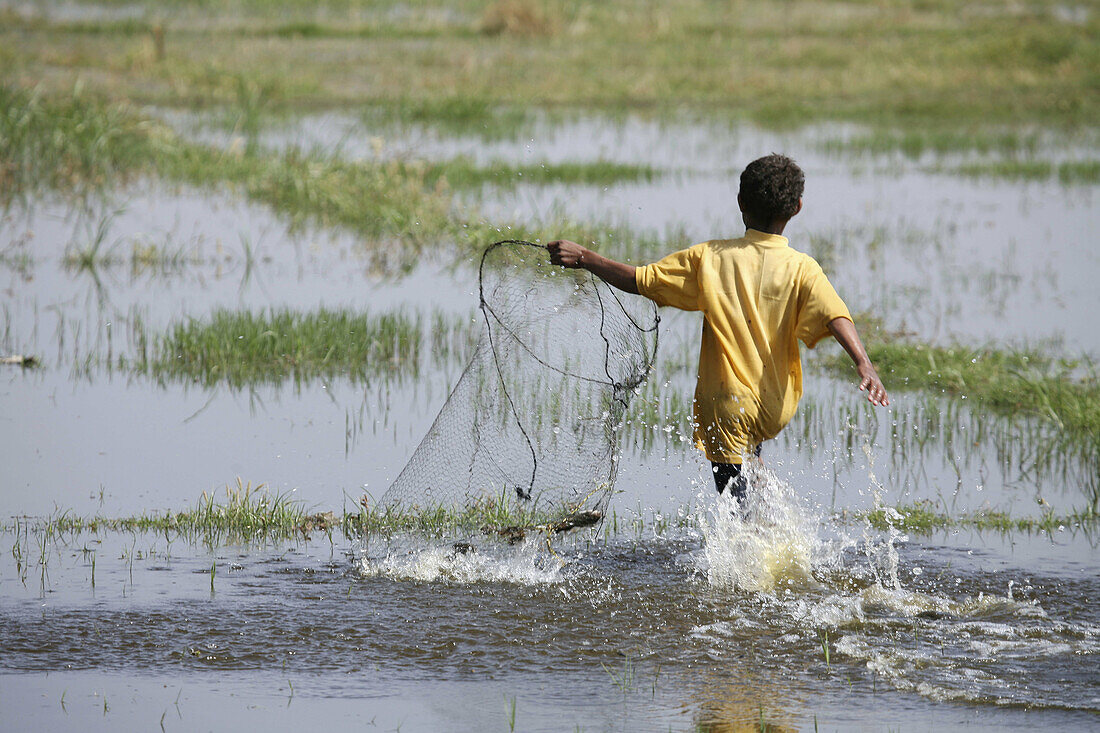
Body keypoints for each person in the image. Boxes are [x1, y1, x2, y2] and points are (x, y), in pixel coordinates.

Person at [547, 153, 889, 500]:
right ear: (797, 207)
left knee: (734, 507)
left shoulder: (710, 258)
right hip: (774, 404)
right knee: (752, 472)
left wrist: (585, 258)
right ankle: (771, 533)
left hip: (726, 402)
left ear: (741, 202)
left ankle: (751, 544)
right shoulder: (803, 267)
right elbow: (836, 315)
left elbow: (640, 280)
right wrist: (863, 363)